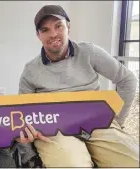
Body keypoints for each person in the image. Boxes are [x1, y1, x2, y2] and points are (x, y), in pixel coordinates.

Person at [17, 5, 139, 167]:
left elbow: (127, 80)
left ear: (68, 27)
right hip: (54, 131)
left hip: (97, 122)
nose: (53, 34)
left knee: (132, 161)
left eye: (58, 26)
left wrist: (117, 119)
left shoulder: (90, 52)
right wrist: (27, 149)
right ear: (38, 35)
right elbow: (23, 115)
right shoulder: (30, 71)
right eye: (45, 30)